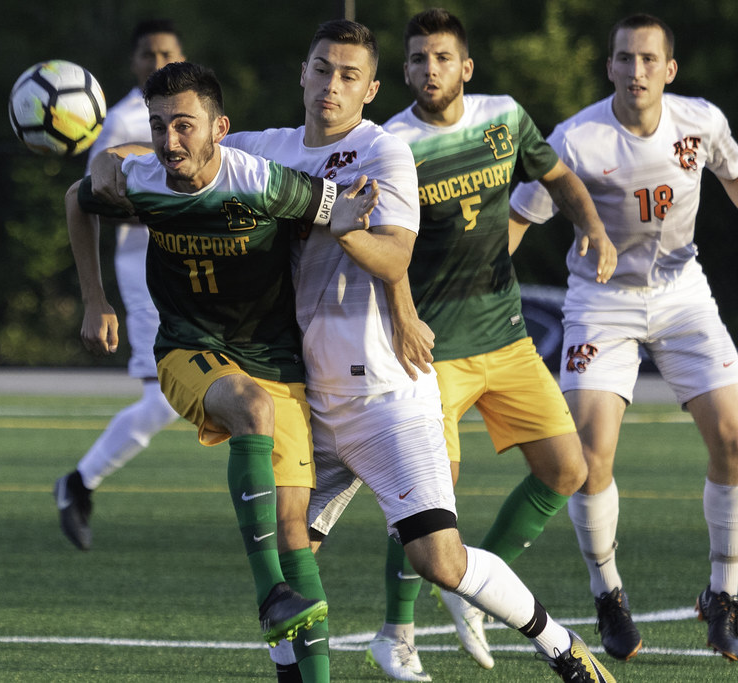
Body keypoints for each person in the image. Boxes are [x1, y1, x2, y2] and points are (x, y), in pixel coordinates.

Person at [90, 19, 618, 683]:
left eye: (348, 75)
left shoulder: (384, 151)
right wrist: (107, 161)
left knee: (441, 561)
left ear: (371, 88)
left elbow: (395, 253)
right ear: (302, 76)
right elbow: (178, 148)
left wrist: (341, 227)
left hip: (386, 397)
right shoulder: (266, 148)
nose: (331, 85)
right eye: (321, 70)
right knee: (285, 558)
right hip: (307, 394)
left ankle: (561, 644)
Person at [66, 60, 387, 682]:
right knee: (250, 408)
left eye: (184, 126)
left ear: (221, 129)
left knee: (296, 534)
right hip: (188, 349)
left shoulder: (262, 183)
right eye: (158, 127)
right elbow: (78, 201)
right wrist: (93, 297)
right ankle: (271, 595)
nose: (169, 141)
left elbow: (335, 212)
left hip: (276, 359)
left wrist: (353, 219)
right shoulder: (143, 180)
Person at [344, 8, 618, 678]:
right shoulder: (391, 143)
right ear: (403, 70)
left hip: (508, 336)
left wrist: (594, 228)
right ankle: (396, 631)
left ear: (465, 67)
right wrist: (402, 318)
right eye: (416, 59)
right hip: (430, 350)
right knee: (427, 498)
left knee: (568, 469)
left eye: (441, 57)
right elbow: (383, 250)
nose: (428, 69)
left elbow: (558, 178)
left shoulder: (505, 118)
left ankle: (475, 588)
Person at [509, 13, 738, 662]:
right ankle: (608, 592)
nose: (635, 71)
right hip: (601, 299)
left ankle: (723, 592)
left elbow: (733, 177)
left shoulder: (702, 122)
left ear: (669, 70)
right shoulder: (576, 139)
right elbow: (522, 215)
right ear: (608, 66)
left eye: (648, 60)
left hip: (681, 292)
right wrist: (475, 284)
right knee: (591, 452)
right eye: (623, 59)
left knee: (732, 436)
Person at [55, 19, 185, 552]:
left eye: (166, 53)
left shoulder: (193, 113)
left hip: (205, 265)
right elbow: (94, 199)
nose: (157, 63)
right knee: (166, 400)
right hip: (145, 266)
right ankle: (79, 482)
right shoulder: (122, 121)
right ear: (134, 65)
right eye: (147, 56)